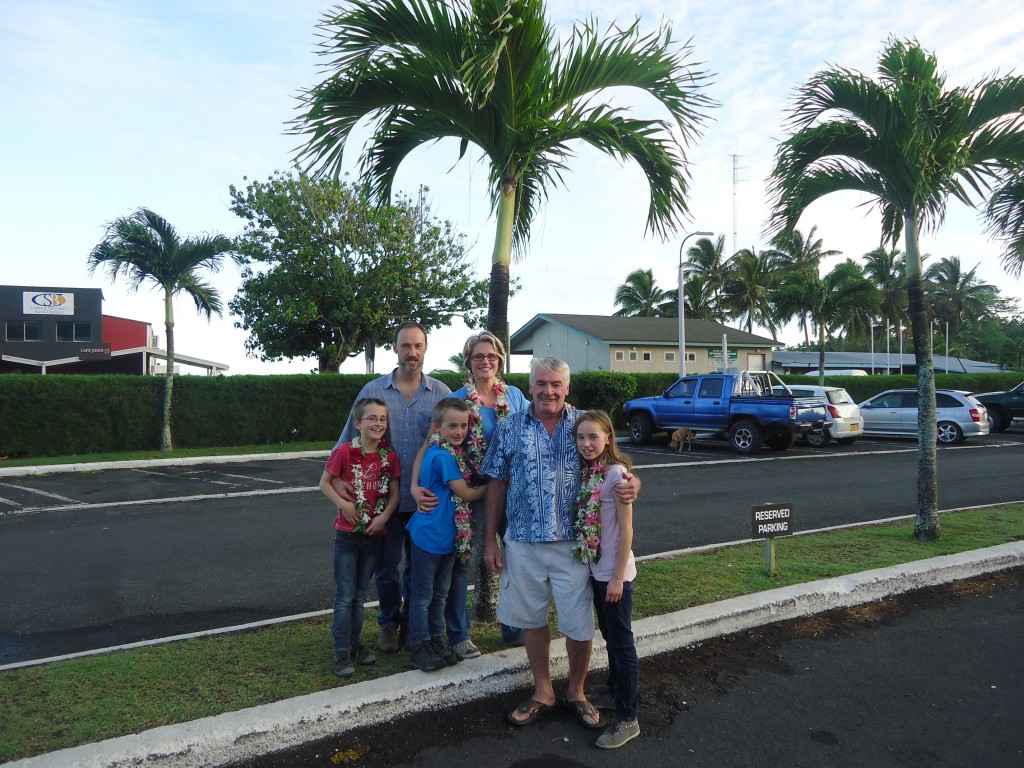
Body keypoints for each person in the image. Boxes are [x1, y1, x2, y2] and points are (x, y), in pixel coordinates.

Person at [482, 357, 640, 731]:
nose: (548, 391)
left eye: (556, 384)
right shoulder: (509, 427)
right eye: (541, 383)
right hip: (522, 542)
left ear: (567, 387)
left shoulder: (585, 424)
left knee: (577, 622)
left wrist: (634, 483)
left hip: (575, 546)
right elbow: (497, 483)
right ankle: (543, 691)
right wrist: (490, 538)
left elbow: (614, 465)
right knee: (533, 620)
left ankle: (577, 692)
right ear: (531, 384)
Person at [336, 322, 451, 654]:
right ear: (395, 348)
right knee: (386, 568)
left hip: (426, 502)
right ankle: (388, 623)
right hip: (382, 502)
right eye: (405, 346)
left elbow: (458, 440)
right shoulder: (374, 391)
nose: (411, 353)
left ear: (425, 349)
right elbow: (347, 438)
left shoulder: (441, 393)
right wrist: (341, 479)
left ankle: (414, 625)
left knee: (419, 568)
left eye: (417, 346)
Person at [412, 330, 529, 658]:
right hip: (469, 494)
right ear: (468, 361)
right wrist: (413, 486)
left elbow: (541, 420)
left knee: (516, 557)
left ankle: (513, 625)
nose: (485, 361)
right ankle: (459, 634)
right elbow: (430, 443)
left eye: (491, 356)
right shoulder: (458, 399)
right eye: (478, 356)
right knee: (461, 562)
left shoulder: (516, 397)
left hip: (511, 491)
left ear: (500, 360)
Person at [318, 398, 401, 678]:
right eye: (371, 418)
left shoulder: (389, 457)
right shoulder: (344, 452)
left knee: (359, 596)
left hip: (374, 534)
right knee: (344, 596)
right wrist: (343, 505)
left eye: (382, 419)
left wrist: (384, 517)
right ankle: (342, 652)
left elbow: (395, 494)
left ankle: (355, 644)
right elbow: (324, 483)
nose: (378, 423)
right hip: (347, 535)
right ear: (358, 424)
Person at [573, 410, 641, 749]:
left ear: (608, 439)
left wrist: (616, 578)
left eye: (593, 437)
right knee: (611, 636)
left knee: (621, 642)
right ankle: (615, 692)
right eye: (581, 438)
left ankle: (628, 717)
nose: (586, 444)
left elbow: (627, 529)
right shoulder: (591, 474)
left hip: (614, 575)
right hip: (598, 572)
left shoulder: (616, 474)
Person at [406, 398, 489, 672]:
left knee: (439, 594)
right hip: (430, 538)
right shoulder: (442, 456)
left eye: (464, 426)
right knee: (423, 596)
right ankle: (418, 644)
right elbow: (465, 493)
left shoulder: (444, 452)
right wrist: (497, 485)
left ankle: (435, 640)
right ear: (438, 428)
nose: (458, 431)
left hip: (447, 540)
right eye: (452, 425)